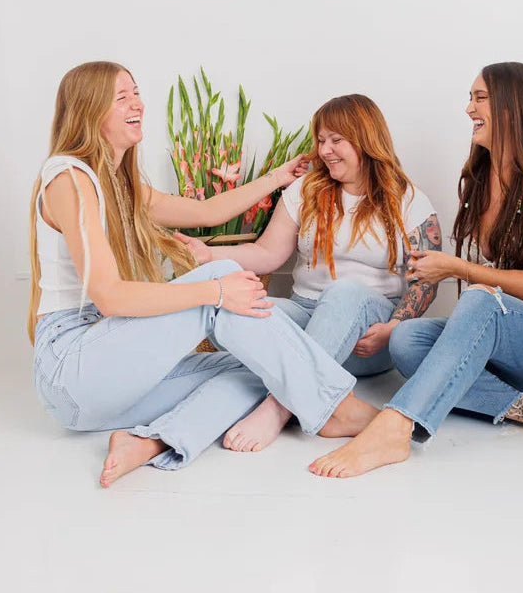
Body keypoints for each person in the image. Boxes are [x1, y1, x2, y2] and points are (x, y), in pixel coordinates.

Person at [28, 61, 378, 487]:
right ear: (88, 110)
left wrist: (278, 177)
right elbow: (110, 297)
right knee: (225, 274)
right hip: (72, 367)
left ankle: (154, 440)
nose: (138, 103)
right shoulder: (69, 176)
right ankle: (333, 406)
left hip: (106, 387)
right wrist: (215, 291)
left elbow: (206, 213)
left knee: (256, 369)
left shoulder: (120, 184)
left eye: (136, 92)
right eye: (122, 97)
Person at [309, 62, 523, 478]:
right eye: (470, 98)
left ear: (513, 108)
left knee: (482, 301)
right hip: (510, 354)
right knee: (407, 341)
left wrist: (454, 266)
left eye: (480, 98)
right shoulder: (481, 181)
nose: (469, 108)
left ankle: (396, 425)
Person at [178, 94, 442, 452]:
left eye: (336, 140)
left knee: (343, 292)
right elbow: (267, 254)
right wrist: (208, 253)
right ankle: (313, 395)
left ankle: (279, 408)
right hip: (305, 314)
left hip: (368, 336)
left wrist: (393, 329)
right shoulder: (307, 190)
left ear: (366, 139)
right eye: (321, 140)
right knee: (235, 310)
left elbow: (425, 278)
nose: (326, 150)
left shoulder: (407, 198)